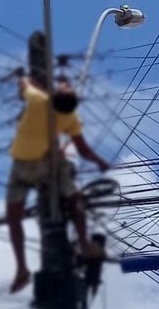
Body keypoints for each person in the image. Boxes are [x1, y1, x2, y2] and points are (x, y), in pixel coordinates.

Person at [7, 76, 109, 293]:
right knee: (75, 199)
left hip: (23, 164)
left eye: (65, 86)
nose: (66, 84)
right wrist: (99, 162)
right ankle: (83, 244)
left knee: (14, 218)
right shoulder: (70, 117)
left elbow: (24, 83)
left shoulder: (38, 100)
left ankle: (21, 268)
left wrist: (30, 81)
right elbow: (82, 149)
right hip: (47, 163)